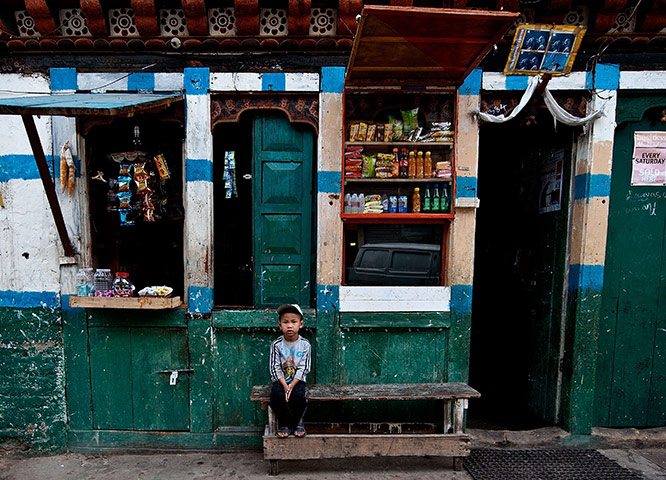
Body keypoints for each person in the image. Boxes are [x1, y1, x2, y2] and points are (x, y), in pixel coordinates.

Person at [269, 304, 311, 438]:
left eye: (294, 322)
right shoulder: (277, 344)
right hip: (280, 380)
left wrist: (292, 385)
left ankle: (299, 420)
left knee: (299, 396)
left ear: (301, 324)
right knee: (276, 396)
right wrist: (284, 385)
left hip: (297, 380)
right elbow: (274, 367)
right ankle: (284, 423)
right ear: (280, 325)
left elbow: (304, 367)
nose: (290, 326)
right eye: (285, 322)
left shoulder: (305, 344)